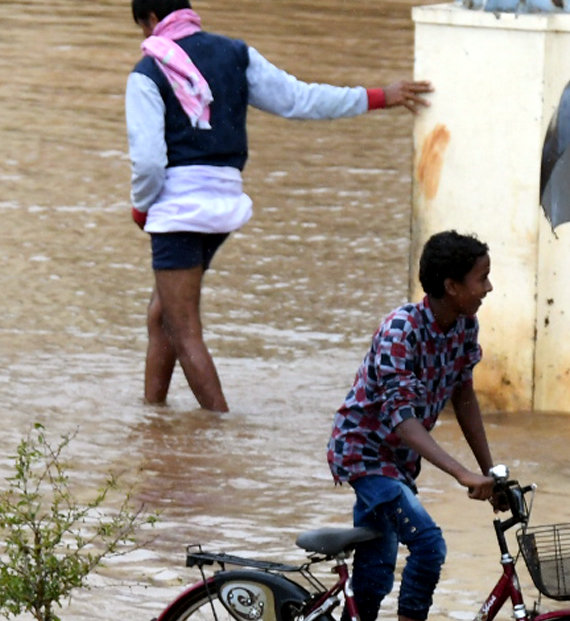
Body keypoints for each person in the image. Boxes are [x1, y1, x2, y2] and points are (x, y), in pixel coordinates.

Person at [126, 1, 433, 413]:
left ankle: (219, 428)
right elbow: (299, 99)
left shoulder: (147, 73)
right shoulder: (236, 54)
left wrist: (142, 207)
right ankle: (152, 417)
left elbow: (147, 162)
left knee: (183, 331)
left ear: (148, 21)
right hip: (225, 203)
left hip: (179, 210)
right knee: (161, 313)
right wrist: (380, 96)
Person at [326, 230, 498, 621]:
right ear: (452, 287)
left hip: (400, 463)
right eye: (482, 279)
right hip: (364, 455)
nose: (489, 289)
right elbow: (403, 423)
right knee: (427, 545)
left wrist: (490, 471)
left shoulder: (464, 326)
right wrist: (462, 475)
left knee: (377, 570)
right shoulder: (400, 330)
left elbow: (464, 397)